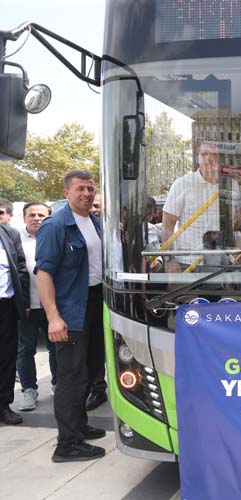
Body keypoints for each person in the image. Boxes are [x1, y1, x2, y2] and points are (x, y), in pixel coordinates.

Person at [36, 169, 107, 462]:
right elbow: (43, 274)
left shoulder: (95, 222)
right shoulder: (55, 226)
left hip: (95, 303)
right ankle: (67, 444)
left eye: (90, 188)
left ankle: (78, 425)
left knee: (90, 369)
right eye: (80, 189)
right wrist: (54, 317)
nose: (87, 194)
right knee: (71, 375)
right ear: (67, 193)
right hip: (71, 310)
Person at [16, 202, 58, 412]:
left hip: (52, 305)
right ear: (24, 217)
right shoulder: (15, 240)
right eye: (31, 215)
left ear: (49, 217)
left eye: (41, 215)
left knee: (56, 348)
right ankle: (29, 389)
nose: (36, 218)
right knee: (25, 350)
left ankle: (58, 384)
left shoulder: (54, 237)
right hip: (27, 306)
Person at [162, 140, 221, 271]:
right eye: (204, 154)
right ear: (197, 156)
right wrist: (169, 260)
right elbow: (167, 226)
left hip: (222, 263)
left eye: (214, 154)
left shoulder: (231, 186)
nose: (209, 158)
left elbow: (236, 227)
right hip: (188, 263)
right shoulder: (182, 184)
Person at [0, 219, 29, 425]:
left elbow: (21, 268)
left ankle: (3, 405)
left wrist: (24, 301)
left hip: (6, 305)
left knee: (7, 358)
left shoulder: (9, 233)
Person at [85, 193, 108, 411]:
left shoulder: (114, 229)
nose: (94, 209)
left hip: (117, 294)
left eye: (98, 205)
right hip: (91, 295)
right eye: (92, 206)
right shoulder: (85, 228)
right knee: (94, 346)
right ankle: (98, 388)